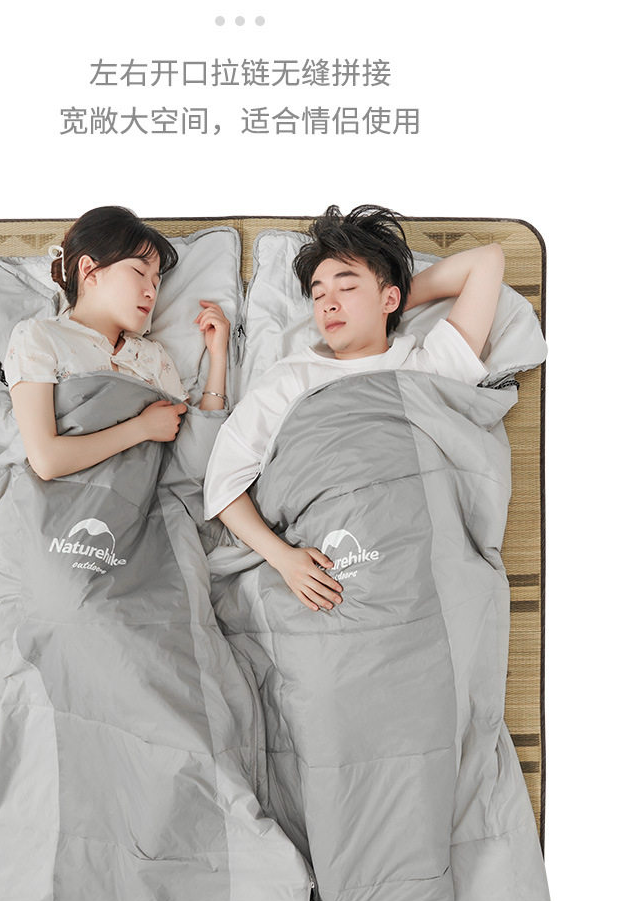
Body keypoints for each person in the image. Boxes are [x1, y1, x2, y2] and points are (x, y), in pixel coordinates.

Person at [203, 203, 504, 612]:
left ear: (391, 296)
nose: (328, 304)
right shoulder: (289, 380)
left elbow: (487, 261)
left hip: (414, 558)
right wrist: (284, 559)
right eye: (318, 294)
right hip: (324, 563)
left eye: (346, 288)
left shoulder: (426, 368)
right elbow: (222, 484)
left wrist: (389, 304)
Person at [5, 205, 231, 479]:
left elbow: (196, 457)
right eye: (139, 272)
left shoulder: (151, 357)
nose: (151, 292)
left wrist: (218, 357)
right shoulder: (39, 337)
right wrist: (142, 428)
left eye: (156, 282)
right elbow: (46, 461)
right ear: (90, 270)